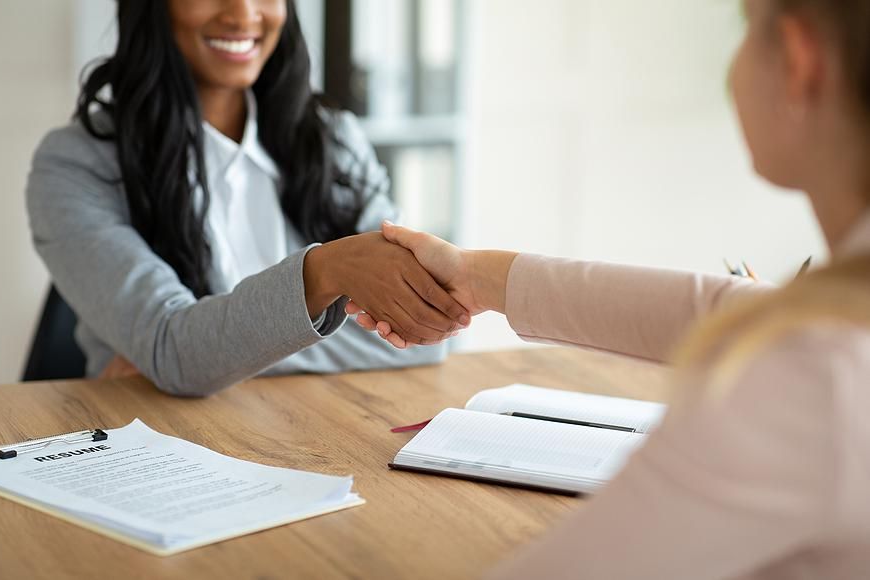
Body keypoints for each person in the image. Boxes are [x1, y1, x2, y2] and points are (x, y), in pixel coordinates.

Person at [352, 0, 870, 577]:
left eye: (747, 27)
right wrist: (477, 277)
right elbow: (733, 310)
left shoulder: (814, 379)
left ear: (800, 63)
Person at [25, 0, 469, 396]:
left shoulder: (335, 140)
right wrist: (325, 274)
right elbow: (176, 351)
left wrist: (203, 359)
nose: (242, 13)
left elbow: (423, 335)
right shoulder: (75, 165)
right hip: (164, 449)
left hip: (319, 431)